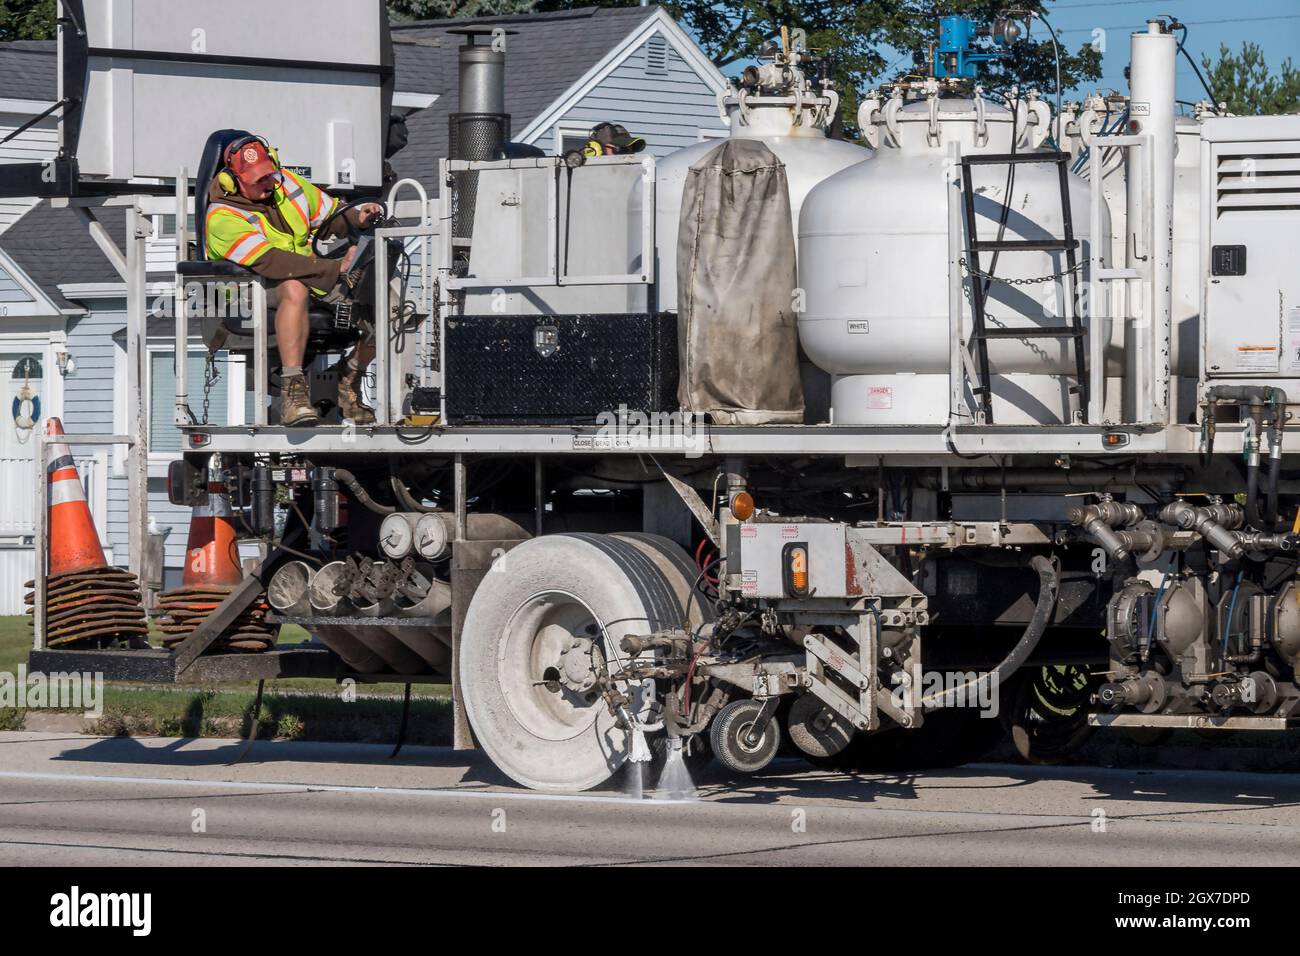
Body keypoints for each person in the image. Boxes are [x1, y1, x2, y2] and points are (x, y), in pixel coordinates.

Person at [204, 134, 382, 426]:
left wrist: (357, 216)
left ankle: (349, 377)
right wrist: (335, 267)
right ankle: (293, 393)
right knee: (293, 288)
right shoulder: (222, 217)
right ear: (232, 183)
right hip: (244, 291)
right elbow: (272, 262)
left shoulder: (288, 184)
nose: (267, 184)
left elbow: (331, 215)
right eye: (256, 180)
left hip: (310, 275)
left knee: (390, 301)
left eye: (268, 175)